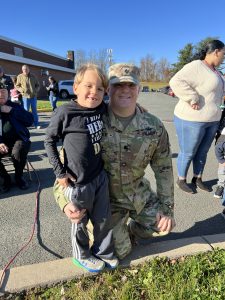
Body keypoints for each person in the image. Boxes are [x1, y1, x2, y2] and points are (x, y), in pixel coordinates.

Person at [53, 63, 175, 260]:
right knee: (118, 252)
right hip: (105, 204)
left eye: (131, 86)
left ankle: (132, 230)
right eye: (118, 85)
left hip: (138, 195)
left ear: (139, 89)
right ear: (108, 89)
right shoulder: (89, 121)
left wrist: (167, 208)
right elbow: (64, 167)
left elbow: (164, 169)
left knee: (164, 226)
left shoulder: (153, 126)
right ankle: (116, 234)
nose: (125, 90)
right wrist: (65, 201)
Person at [44, 64, 118, 272]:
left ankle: (103, 252)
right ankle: (82, 255)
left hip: (99, 176)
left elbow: (115, 107)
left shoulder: (101, 108)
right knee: (80, 220)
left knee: (103, 219)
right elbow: (49, 141)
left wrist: (139, 108)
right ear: (76, 87)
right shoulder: (65, 112)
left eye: (100, 89)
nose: (94, 92)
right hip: (78, 180)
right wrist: (60, 173)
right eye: (88, 86)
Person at [170, 40, 225, 194]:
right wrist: (192, 97)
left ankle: (197, 177)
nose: (224, 57)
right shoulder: (196, 66)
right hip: (192, 119)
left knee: (202, 152)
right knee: (188, 151)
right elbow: (175, 81)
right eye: (223, 53)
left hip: (212, 120)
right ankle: (181, 179)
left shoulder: (216, 72)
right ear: (216, 52)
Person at [0, 82, 33, 193]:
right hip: (1, 142)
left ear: (8, 94)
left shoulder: (15, 106)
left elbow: (30, 120)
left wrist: (11, 110)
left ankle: (19, 177)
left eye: (3, 92)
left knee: (19, 150)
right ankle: (5, 178)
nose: (1, 94)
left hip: (18, 139)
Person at [16, 65, 40, 129]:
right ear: (22, 70)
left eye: (26, 69)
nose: (25, 70)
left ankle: (36, 124)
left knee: (34, 111)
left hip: (33, 96)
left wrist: (35, 91)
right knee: (26, 111)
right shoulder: (19, 76)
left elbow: (38, 85)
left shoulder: (33, 76)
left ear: (29, 69)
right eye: (24, 69)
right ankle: (27, 124)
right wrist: (22, 90)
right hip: (25, 97)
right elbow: (17, 86)